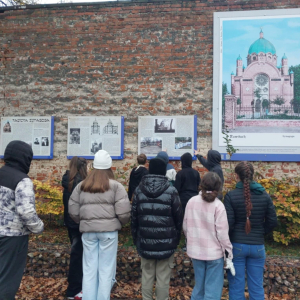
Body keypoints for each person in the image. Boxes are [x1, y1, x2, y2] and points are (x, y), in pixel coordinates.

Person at [69, 150, 131, 300]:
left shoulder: (82, 186)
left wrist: (83, 222)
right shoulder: (116, 186)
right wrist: (118, 223)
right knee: (106, 271)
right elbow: (124, 214)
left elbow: (73, 209)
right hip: (108, 233)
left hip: (88, 233)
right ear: (110, 167)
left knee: (89, 270)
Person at [131, 157, 183, 300]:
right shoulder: (171, 191)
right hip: (166, 242)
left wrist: (137, 238)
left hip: (145, 240)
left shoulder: (139, 190)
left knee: (147, 277)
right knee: (163, 278)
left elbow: (133, 218)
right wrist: (175, 239)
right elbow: (179, 218)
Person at [224, 162, 278, 300]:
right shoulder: (264, 195)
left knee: (236, 286)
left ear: (236, 176)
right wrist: (260, 232)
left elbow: (228, 224)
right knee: (257, 286)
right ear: (252, 175)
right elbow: (272, 221)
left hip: (237, 246)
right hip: (258, 246)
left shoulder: (231, 196)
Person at [0, 140, 44, 299]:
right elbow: (26, 211)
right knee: (7, 280)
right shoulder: (22, 180)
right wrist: (38, 227)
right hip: (12, 239)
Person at [183, 172, 235, 300]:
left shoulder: (191, 202)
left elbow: (185, 226)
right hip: (214, 254)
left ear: (201, 185)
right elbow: (222, 233)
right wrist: (228, 252)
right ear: (218, 187)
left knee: (199, 288)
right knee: (212, 292)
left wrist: (190, 241)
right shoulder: (218, 206)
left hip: (195, 251)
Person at [62, 157, 88, 300]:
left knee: (77, 255)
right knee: (79, 257)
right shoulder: (81, 183)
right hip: (79, 224)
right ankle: (74, 290)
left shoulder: (68, 181)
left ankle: (76, 287)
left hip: (71, 223)